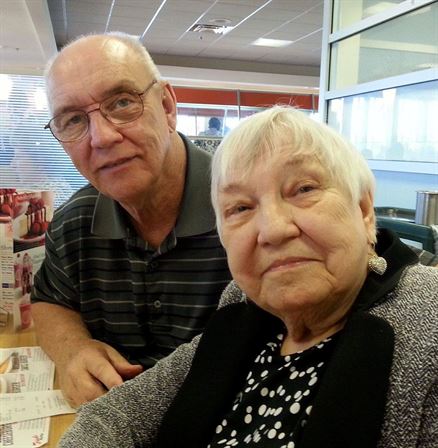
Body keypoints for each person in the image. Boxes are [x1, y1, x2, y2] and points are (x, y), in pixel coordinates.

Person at [59, 106, 437, 447]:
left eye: (303, 189)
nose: (272, 230)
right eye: (240, 208)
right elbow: (115, 415)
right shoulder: (243, 310)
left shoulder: (428, 324)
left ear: (364, 209)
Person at [30, 32, 231, 407]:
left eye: (122, 102)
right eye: (73, 120)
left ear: (167, 106)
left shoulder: (246, 207)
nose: (102, 138)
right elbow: (49, 301)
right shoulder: (74, 221)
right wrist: (73, 349)